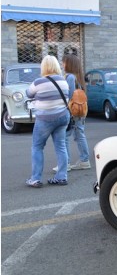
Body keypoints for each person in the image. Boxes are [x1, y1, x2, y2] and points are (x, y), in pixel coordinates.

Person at [25, 55, 70, 187]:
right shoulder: (64, 81)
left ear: (43, 67)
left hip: (45, 119)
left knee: (37, 147)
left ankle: (36, 179)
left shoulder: (38, 82)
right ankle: (62, 177)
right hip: (62, 117)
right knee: (61, 147)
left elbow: (28, 93)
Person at [61, 54, 90, 171]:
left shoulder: (70, 77)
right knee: (79, 135)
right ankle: (84, 160)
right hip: (80, 110)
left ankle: (66, 163)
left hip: (73, 111)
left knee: (65, 137)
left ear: (69, 64)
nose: (62, 64)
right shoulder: (78, 77)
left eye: (64, 62)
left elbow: (70, 96)